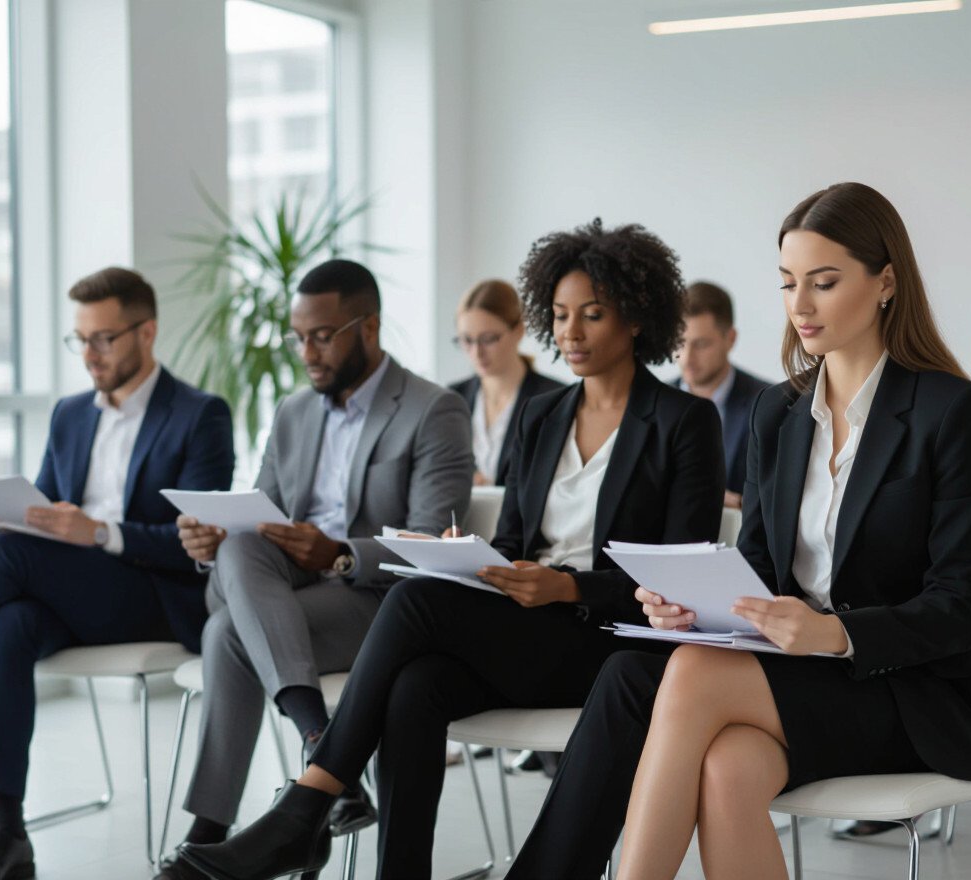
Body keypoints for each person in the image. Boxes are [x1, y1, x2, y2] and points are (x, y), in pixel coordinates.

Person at [177, 218, 726, 880]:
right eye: (560, 316)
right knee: (415, 687)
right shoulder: (543, 416)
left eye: (593, 315)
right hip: (532, 625)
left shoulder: (683, 422)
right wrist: (472, 557)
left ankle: (308, 803)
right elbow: (516, 542)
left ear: (636, 318)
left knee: (414, 603)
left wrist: (570, 586)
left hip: (611, 640)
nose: (572, 333)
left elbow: (679, 576)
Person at [504, 182, 971, 880]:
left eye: (823, 282)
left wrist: (832, 633)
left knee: (687, 674)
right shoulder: (778, 415)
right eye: (787, 283)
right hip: (801, 678)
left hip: (913, 692)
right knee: (721, 763)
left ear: (885, 281)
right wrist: (696, 609)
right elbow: (754, 571)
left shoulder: (953, 412)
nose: (799, 305)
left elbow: (960, 608)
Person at [0, 267, 235, 880]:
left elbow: (195, 544)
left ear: (147, 332)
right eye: (80, 339)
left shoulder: (199, 414)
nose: (89, 354)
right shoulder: (70, 414)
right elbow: (41, 514)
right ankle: (8, 831)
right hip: (77, 596)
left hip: (155, 599)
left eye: (103, 338)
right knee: (10, 623)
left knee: (11, 559)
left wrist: (100, 533)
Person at [155, 259, 472, 880]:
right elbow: (260, 518)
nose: (307, 353)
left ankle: (213, 828)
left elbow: (433, 547)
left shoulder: (434, 410)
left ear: (368, 327)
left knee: (226, 633)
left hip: (382, 606)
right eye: (298, 337)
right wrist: (211, 539)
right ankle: (326, 758)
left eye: (322, 337)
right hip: (288, 598)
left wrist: (340, 553)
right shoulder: (294, 412)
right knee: (238, 549)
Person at [449, 279, 564, 485]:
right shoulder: (452, 397)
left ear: (519, 330)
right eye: (467, 340)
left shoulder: (555, 399)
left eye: (488, 339)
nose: (476, 352)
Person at [674, 281, 770, 508]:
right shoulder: (652, 403)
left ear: (730, 339)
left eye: (701, 344)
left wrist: (740, 504)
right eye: (680, 342)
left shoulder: (769, 403)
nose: (686, 358)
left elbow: (781, 499)